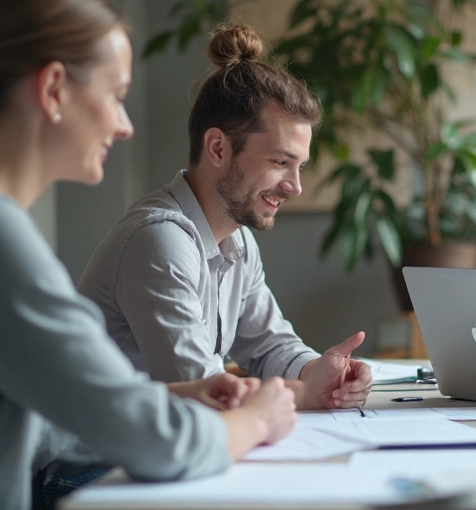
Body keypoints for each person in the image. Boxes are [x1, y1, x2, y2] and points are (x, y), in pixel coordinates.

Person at [0, 0, 297, 510]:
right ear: (54, 90)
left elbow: (50, 403)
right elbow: (159, 444)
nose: (125, 124)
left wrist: (178, 394)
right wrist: (254, 421)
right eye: (116, 95)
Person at [77, 22, 372, 410]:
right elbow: (204, 394)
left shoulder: (237, 241)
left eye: (299, 166)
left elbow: (268, 343)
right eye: (281, 162)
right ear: (218, 148)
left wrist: (315, 371)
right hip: (95, 469)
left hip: (159, 455)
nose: (294, 186)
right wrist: (304, 395)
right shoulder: (159, 241)